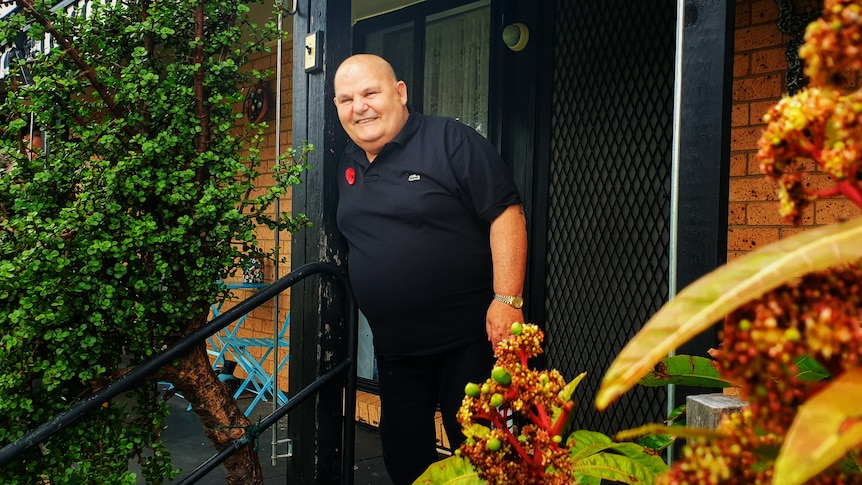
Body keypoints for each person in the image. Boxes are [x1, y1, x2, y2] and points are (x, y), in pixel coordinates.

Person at [333, 54, 527, 485]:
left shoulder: (450, 141)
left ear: (400, 93)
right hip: (397, 350)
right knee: (405, 460)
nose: (358, 106)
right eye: (346, 99)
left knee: (484, 459)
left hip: (469, 341)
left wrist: (507, 300)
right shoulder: (345, 162)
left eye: (369, 93)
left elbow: (506, 215)